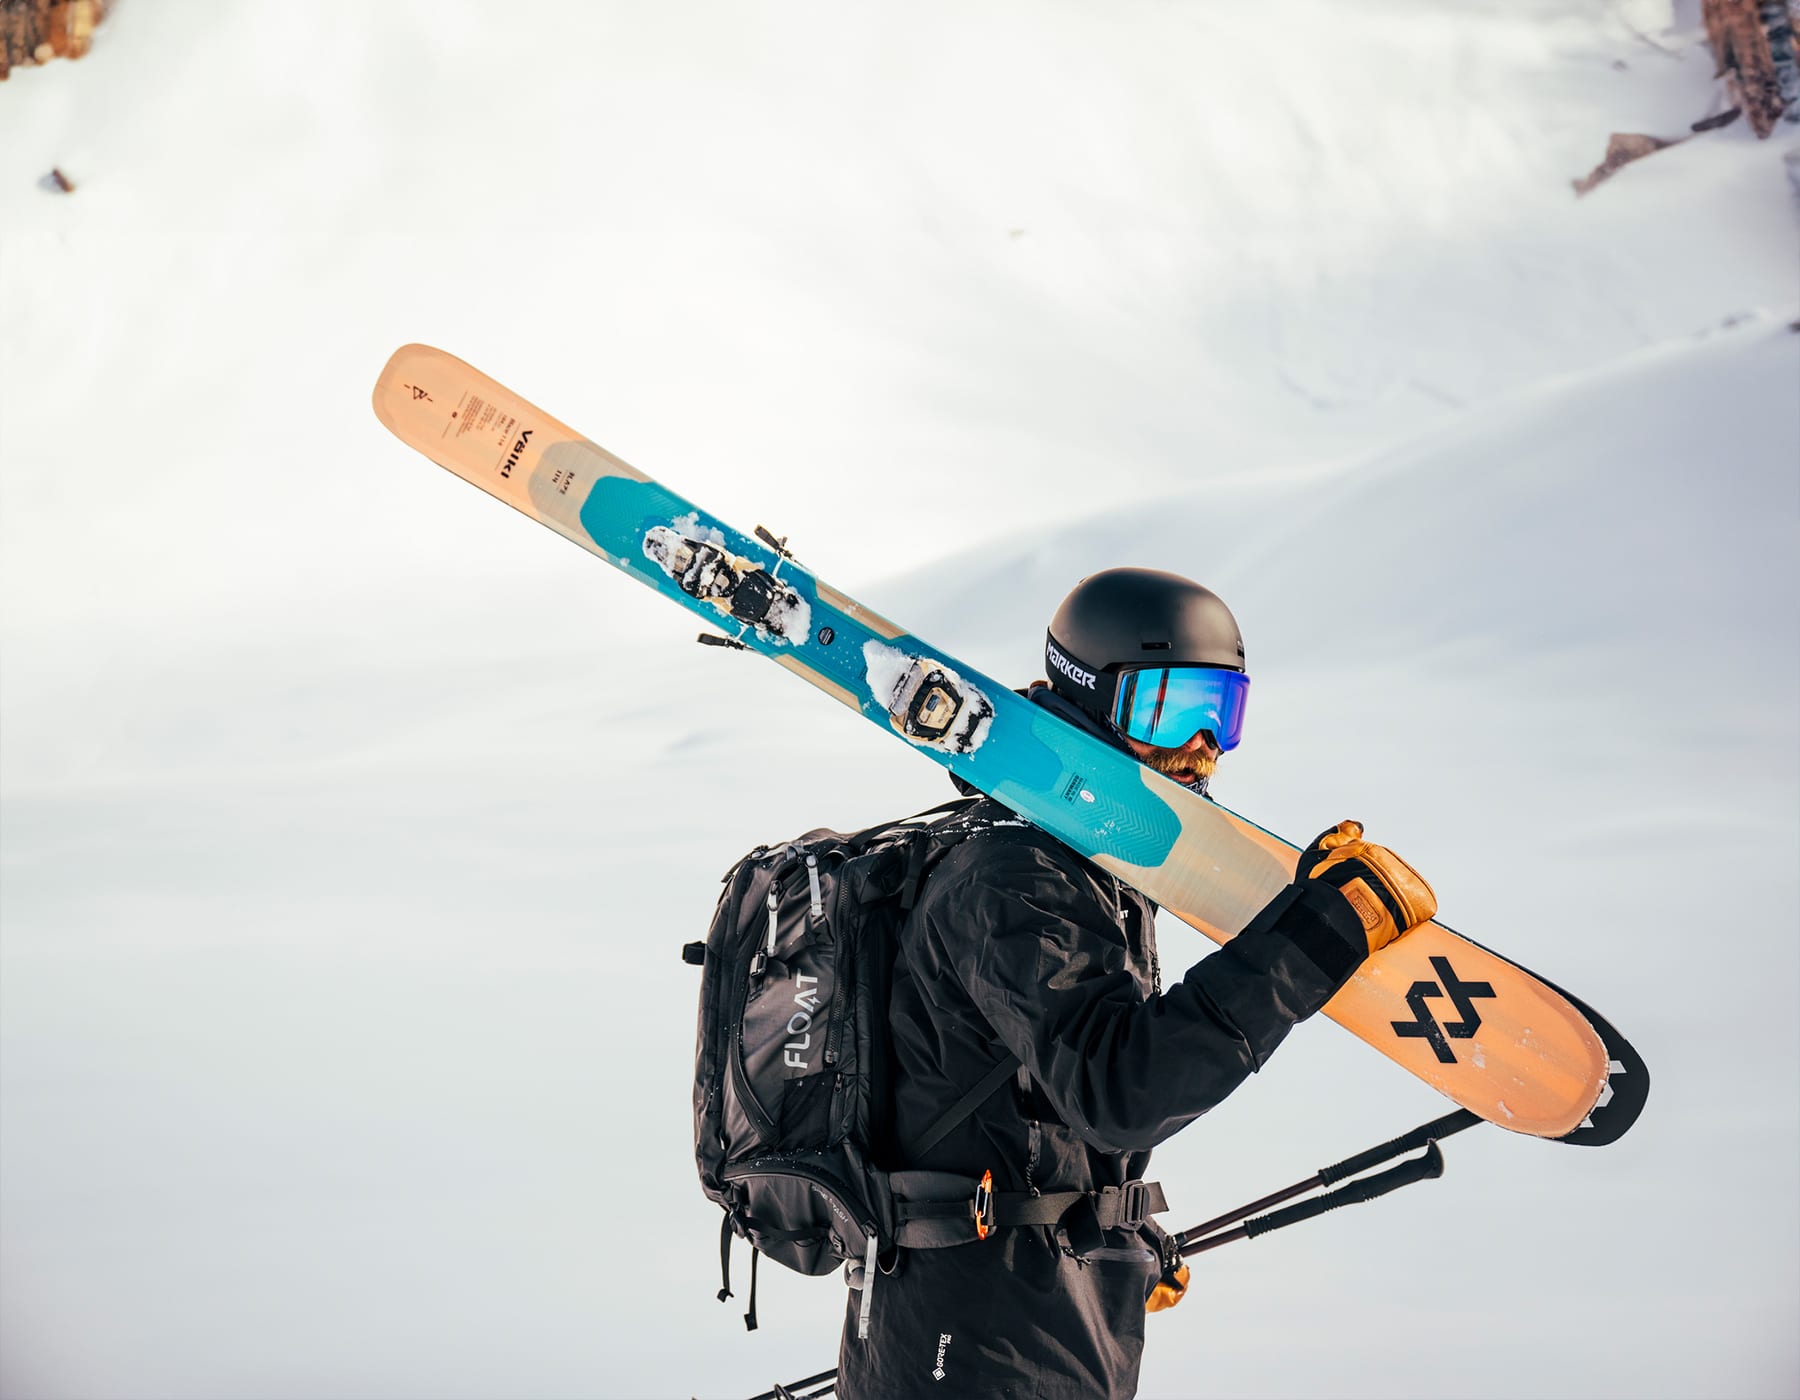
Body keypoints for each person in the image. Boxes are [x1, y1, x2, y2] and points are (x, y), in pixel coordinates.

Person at [835, 567, 1437, 1400]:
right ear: (1089, 700)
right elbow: (1121, 1085)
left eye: (1222, 711)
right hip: (969, 1342)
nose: (1203, 745)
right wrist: (1313, 942)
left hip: (1037, 1318)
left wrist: (1118, 1232)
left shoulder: (1081, 865)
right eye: (1170, 708)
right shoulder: (1013, 875)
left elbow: (1038, 1101)